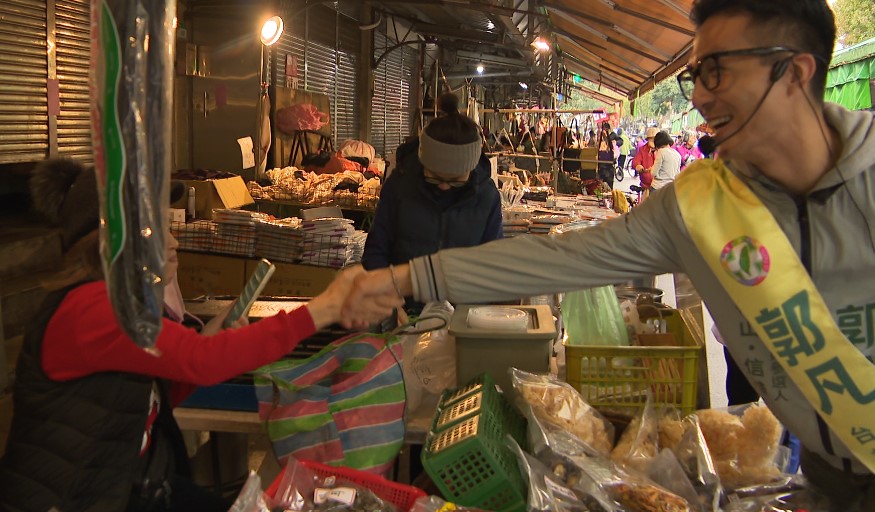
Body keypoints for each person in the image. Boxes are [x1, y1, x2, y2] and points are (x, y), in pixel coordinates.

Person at [343, 1, 875, 509]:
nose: (699, 98)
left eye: (716, 71)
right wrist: (407, 278)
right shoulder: (698, 207)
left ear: (794, 73)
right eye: (695, 76)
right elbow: (559, 259)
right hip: (827, 474)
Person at [0, 159, 398, 512]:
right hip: (76, 496)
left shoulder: (123, 302)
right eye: (156, 228)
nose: (173, 241)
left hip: (131, 483)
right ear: (114, 240)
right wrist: (326, 306)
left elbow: (160, 393)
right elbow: (202, 363)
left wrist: (207, 340)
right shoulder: (94, 309)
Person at [361, 92, 502, 282]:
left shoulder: (486, 196)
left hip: (464, 306)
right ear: (422, 161)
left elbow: (492, 264)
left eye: (455, 180)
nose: (444, 186)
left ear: (472, 167)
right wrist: (390, 302)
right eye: (434, 177)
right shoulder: (399, 187)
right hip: (402, 305)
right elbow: (375, 253)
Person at [631, 126, 659, 195]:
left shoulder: (662, 150)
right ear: (648, 139)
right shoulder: (643, 149)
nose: (653, 140)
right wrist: (638, 166)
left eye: (655, 138)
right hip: (646, 186)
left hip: (659, 186)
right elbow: (635, 161)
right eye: (651, 138)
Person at [596, 121, 619, 189]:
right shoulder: (601, 138)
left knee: (605, 186)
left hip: (606, 168)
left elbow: (620, 141)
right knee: (600, 186)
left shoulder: (612, 135)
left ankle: (606, 195)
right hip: (603, 167)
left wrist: (615, 143)